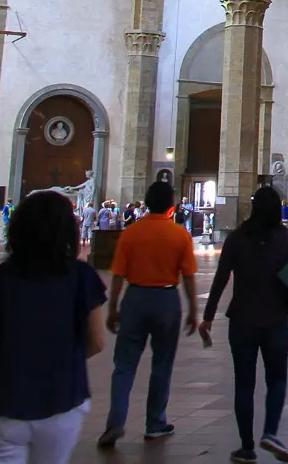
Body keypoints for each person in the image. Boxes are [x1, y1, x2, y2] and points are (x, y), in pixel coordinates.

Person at [0, 190, 108, 464]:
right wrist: (61, 360)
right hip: (62, 397)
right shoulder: (83, 276)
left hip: (1, 399)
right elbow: (96, 341)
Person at [201, 186, 288, 463]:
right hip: (276, 317)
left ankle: (246, 447)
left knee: (244, 384)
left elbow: (221, 279)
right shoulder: (285, 237)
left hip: (242, 319)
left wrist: (208, 317)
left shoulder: (237, 238)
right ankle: (270, 432)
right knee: (277, 380)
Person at [98, 181, 198, 449]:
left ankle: (116, 421)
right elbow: (188, 276)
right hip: (166, 298)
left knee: (125, 364)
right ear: (171, 205)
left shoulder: (131, 233)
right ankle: (155, 423)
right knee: (162, 363)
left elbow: (118, 274)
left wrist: (113, 308)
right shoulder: (179, 235)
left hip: (136, 297)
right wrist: (193, 311)